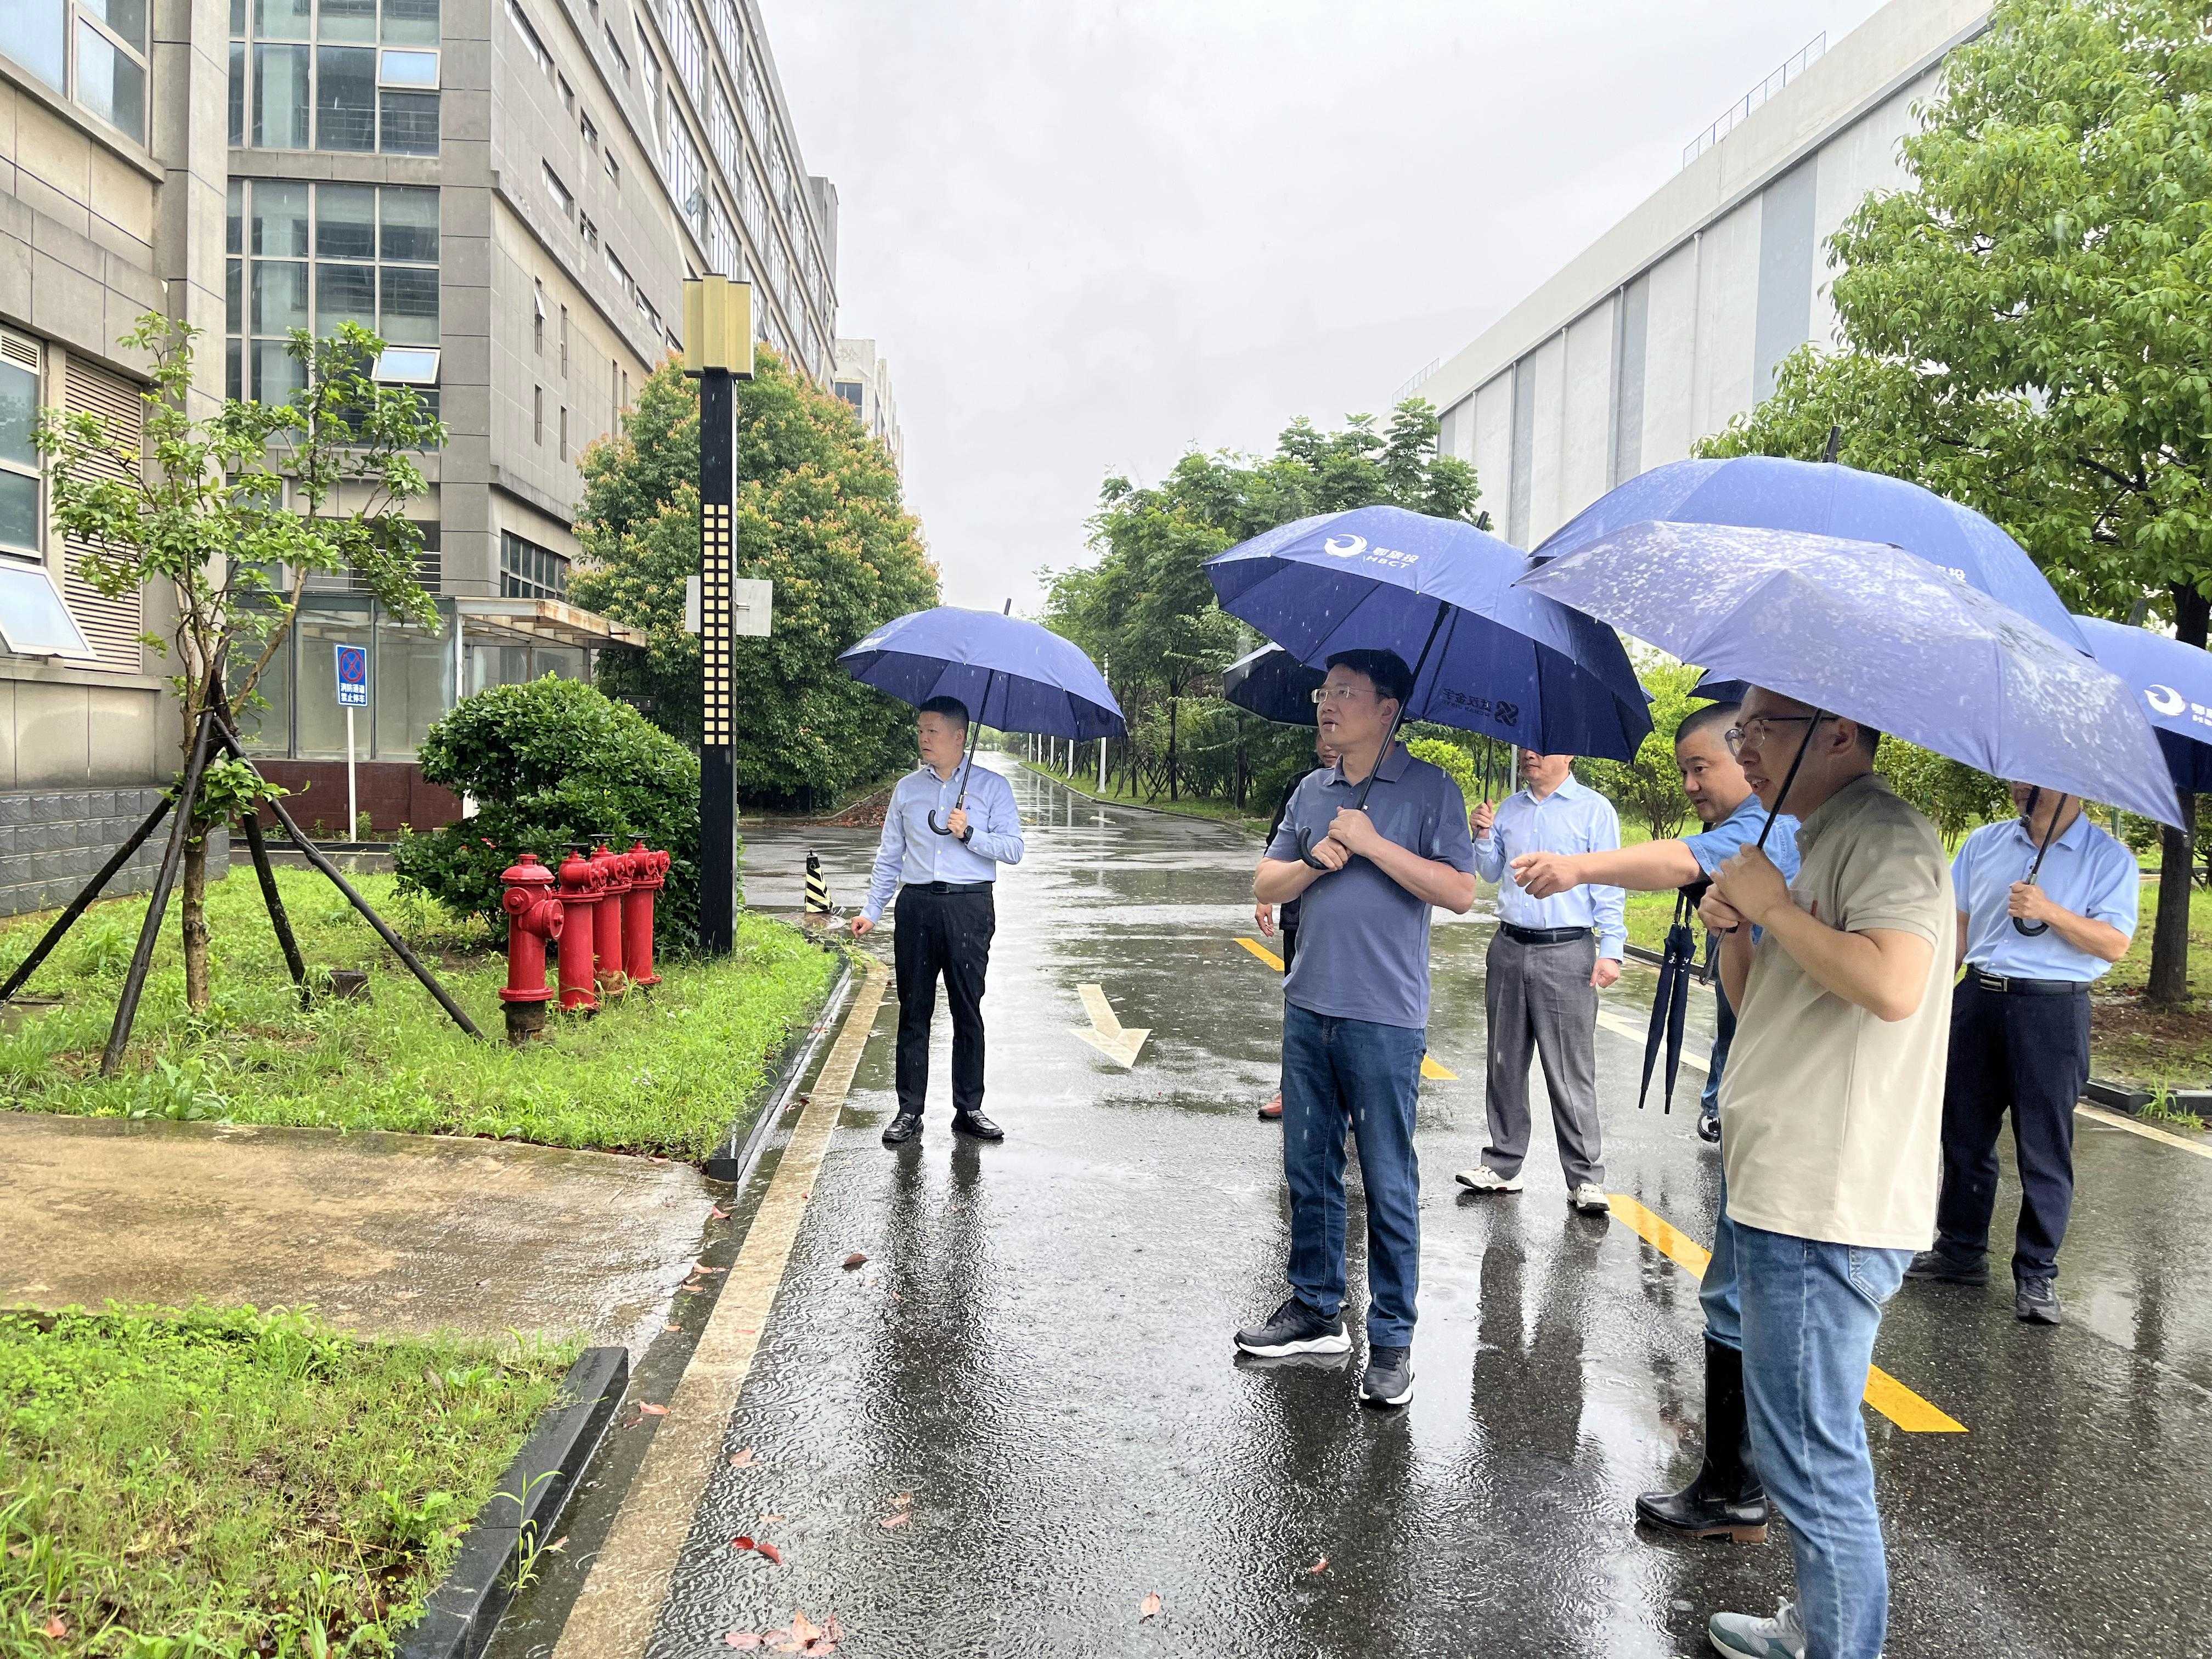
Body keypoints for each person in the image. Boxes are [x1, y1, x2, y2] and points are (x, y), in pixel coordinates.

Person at [1501, 701, 1801, 1545]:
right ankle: (1735, 1482)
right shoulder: (1758, 840)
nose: (1696, 783)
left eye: (1707, 764)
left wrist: (1575, 869)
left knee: (1755, 1297)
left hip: (1793, 1104)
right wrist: (1732, 929)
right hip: (1758, 1087)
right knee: (1735, 1291)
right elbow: (1742, 996)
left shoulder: (1773, 831)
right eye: (1687, 772)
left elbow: (1679, 859)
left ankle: (1751, 1491)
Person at [1695, 689, 1955, 1659]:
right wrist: (1738, 925)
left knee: (1810, 1456)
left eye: (1763, 724)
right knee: (1801, 1441)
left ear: (1838, 731)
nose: (1742, 743)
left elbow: (1891, 983)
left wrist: (1766, 899)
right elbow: (1764, 997)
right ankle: (1814, 1627)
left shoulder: (1883, 834)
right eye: (1742, 728)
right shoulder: (1813, 835)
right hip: (1784, 1182)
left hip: (1825, 1199)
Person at [1235, 650, 1477, 1409]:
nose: (1327, 705)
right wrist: (1317, 857)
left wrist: (1374, 845)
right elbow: (1266, 882)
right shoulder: (1313, 790)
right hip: (1310, 1005)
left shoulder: (1432, 790)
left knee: (1386, 1178)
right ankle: (1315, 1310)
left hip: (1385, 1016)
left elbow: (1461, 891)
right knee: (1309, 1169)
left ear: (1388, 709)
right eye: (1324, 691)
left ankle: (1394, 1340)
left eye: (1345, 693)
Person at [1907, 783, 2137, 1326]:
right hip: (1979, 1000)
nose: (2020, 787)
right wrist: (1934, 994)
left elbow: (2113, 943)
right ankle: (1960, 1251)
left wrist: (2050, 911)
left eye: (2034, 778)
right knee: (1962, 1133)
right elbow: (1959, 930)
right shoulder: (1984, 844)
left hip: (2052, 1012)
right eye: (2016, 776)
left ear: (2072, 785)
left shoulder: (2109, 858)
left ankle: (2037, 1274)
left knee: (2044, 1145)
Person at [1457, 749, 1626, 1215]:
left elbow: (1609, 883)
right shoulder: (1509, 809)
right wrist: (1484, 836)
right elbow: (1491, 873)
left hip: (1567, 948)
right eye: (1525, 746)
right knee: (1505, 1060)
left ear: (1569, 754)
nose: (1529, 754)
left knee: (1570, 1068)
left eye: (1542, 747)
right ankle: (1503, 1165)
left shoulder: (1594, 810)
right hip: (1510, 945)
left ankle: (1585, 1178)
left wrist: (1612, 948)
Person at [852, 696, 1025, 1146]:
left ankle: (969, 1107)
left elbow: (1013, 849)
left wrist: (969, 833)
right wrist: (873, 910)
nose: (923, 739)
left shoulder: (992, 788)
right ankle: (909, 1110)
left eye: (932, 731)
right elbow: (890, 855)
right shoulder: (907, 790)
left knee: (968, 1009)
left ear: (958, 737)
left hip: (969, 907)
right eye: (921, 730)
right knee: (914, 1012)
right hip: (917, 907)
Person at [1253, 730, 1340, 1122]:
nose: (1327, 744)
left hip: (1348, 926)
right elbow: (1275, 847)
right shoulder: (1303, 788)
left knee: (1347, 1010)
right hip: (1300, 915)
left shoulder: (1377, 793)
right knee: (1299, 1006)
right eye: (1322, 736)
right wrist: (1264, 897)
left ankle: (1348, 1097)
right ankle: (1292, 1089)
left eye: (1335, 738)